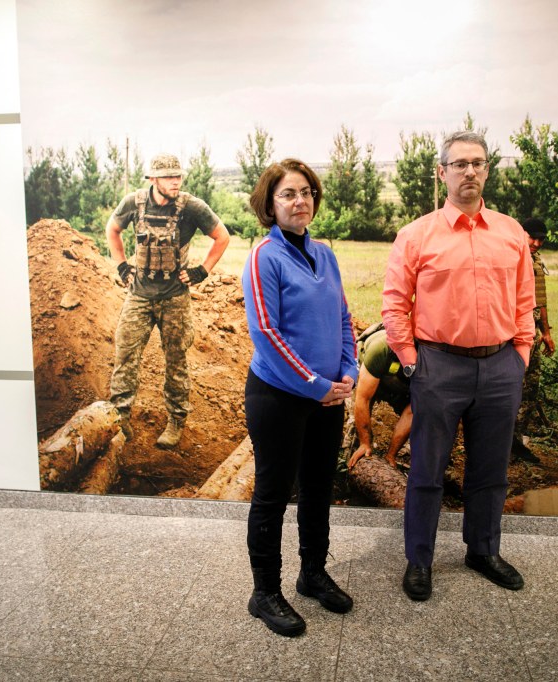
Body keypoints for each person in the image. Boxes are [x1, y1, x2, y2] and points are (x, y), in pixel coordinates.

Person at [383, 130, 535, 600]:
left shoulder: (511, 234)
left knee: (491, 470)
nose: (470, 171)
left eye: (478, 163)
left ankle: (483, 550)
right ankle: (420, 560)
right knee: (427, 470)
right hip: (438, 367)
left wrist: (520, 356)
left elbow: (525, 301)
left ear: (488, 170)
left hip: (499, 367)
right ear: (441, 172)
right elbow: (394, 305)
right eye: (460, 163)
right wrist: (412, 362)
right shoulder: (416, 235)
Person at [242, 158, 358, 637]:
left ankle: (312, 574)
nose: (300, 201)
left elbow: (344, 319)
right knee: (273, 494)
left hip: (328, 397)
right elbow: (265, 332)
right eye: (289, 193)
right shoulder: (263, 257)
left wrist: (348, 372)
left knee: (317, 487)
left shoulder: (325, 255)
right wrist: (316, 384)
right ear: (270, 202)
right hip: (279, 397)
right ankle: (264, 592)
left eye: (307, 192)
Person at [105, 153, 230, 448]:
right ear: (153, 180)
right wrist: (122, 265)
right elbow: (112, 229)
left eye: (178, 176)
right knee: (125, 356)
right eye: (169, 177)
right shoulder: (134, 203)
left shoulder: (191, 207)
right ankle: (119, 419)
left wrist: (202, 271)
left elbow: (222, 236)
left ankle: (176, 421)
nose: (176, 182)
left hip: (175, 298)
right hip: (139, 296)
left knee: (176, 361)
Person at [512, 218, 556, 463]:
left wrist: (546, 332)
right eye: (533, 238)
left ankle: (515, 441)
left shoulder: (536, 259)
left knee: (530, 386)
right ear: (522, 234)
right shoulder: (510, 256)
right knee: (510, 386)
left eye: (541, 240)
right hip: (514, 332)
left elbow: (541, 298)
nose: (537, 244)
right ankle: (502, 441)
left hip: (531, 331)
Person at [346, 326, 413, 469]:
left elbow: (412, 411)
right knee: (358, 430)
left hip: (402, 387)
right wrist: (365, 443)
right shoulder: (381, 348)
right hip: (371, 374)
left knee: (423, 419)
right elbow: (363, 398)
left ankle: (405, 456)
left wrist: (391, 455)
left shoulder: (429, 363)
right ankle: (351, 458)